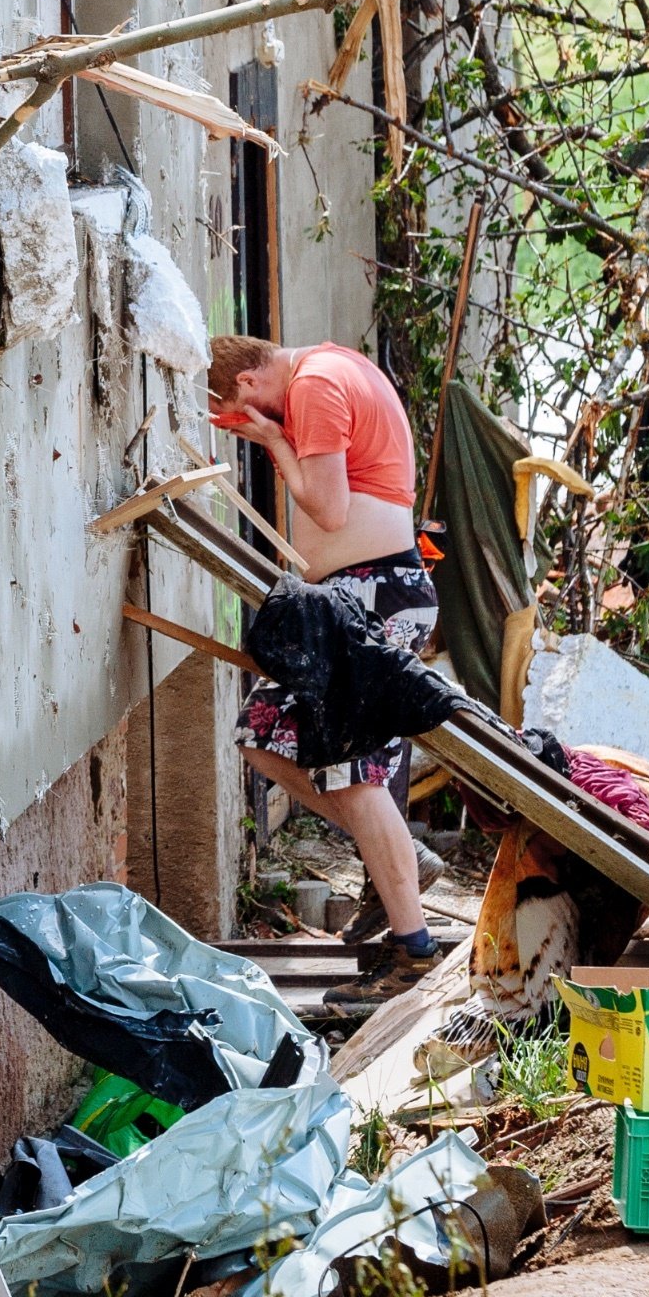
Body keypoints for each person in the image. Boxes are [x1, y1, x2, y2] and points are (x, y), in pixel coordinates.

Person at [206, 333, 444, 1007]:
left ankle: (414, 950)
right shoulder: (333, 369)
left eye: (235, 410)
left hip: (372, 593)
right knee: (261, 740)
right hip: (355, 593)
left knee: (350, 770)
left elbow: (330, 509)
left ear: (249, 387)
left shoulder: (312, 384)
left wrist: (272, 444)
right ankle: (399, 858)